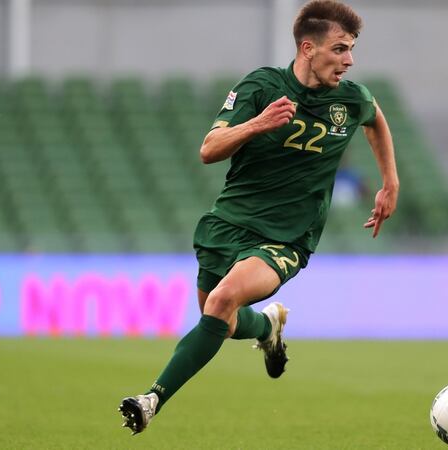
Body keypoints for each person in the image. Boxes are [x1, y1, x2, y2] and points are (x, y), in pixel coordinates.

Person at [118, 0, 399, 435]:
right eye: (340, 49)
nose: (349, 60)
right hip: (228, 223)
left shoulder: (351, 98)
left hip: (288, 236)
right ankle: (267, 325)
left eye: (351, 49)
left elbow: (375, 120)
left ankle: (151, 399)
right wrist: (257, 124)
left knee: (222, 300)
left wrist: (389, 182)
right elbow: (209, 150)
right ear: (308, 48)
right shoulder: (262, 87)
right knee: (220, 318)